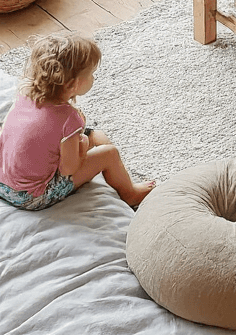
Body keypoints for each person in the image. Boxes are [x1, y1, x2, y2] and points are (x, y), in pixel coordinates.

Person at [0, 35, 155, 211]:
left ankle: (117, 174)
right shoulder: (68, 118)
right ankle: (130, 193)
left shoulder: (24, 94)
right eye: (91, 74)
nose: (93, 78)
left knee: (98, 135)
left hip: (3, 182)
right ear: (73, 85)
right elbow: (68, 169)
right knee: (108, 153)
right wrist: (83, 146)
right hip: (31, 197)